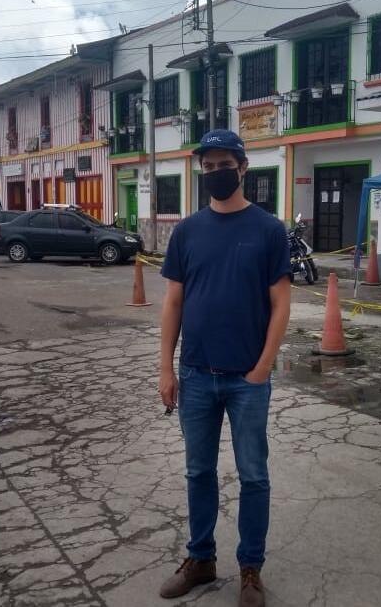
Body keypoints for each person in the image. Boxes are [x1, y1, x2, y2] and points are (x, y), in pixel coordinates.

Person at [158, 129, 292, 607]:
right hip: (195, 375)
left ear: (242, 167)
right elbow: (173, 303)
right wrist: (166, 369)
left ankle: (250, 569)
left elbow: (281, 306)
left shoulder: (268, 230)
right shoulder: (187, 232)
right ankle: (201, 559)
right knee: (199, 472)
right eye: (208, 167)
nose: (215, 173)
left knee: (253, 475)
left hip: (246, 381)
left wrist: (261, 369)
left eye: (223, 165)